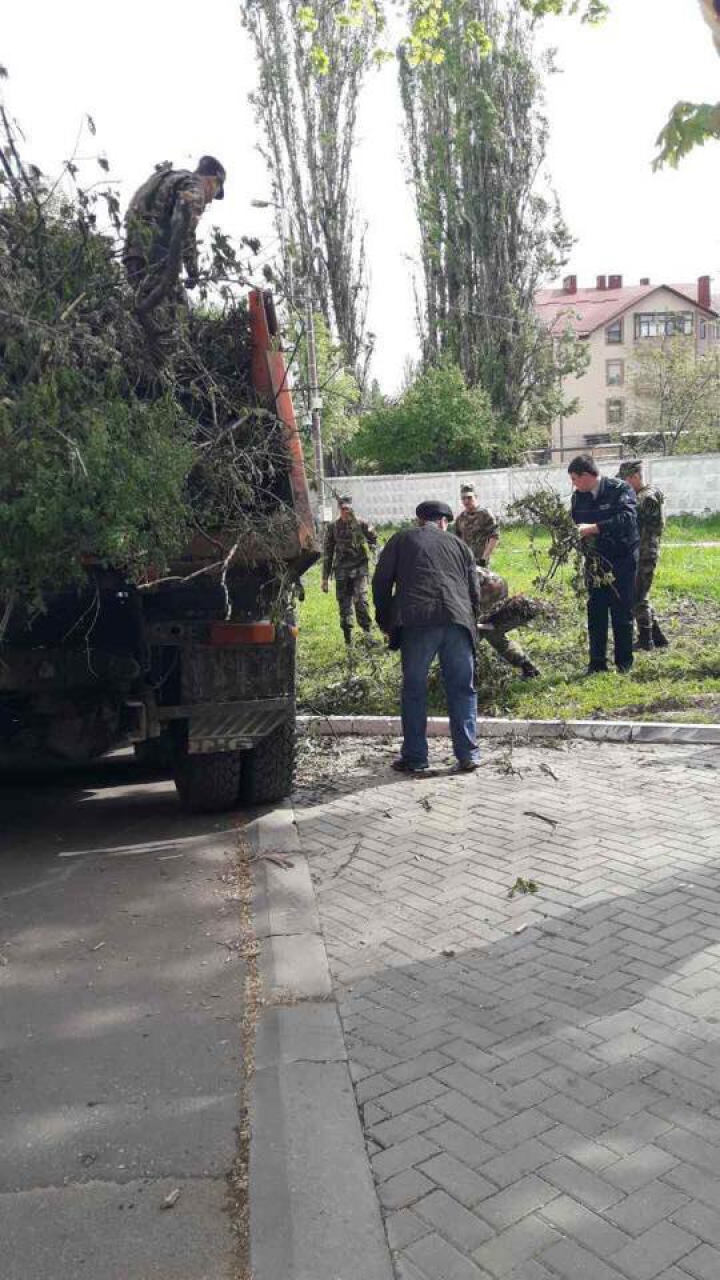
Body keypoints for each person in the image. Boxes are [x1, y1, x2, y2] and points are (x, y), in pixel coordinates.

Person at [372, 500, 481, 774]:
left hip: (417, 621)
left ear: (420, 520)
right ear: (445, 522)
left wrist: (385, 620)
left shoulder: (401, 540)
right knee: (462, 688)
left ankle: (416, 758)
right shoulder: (460, 546)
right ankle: (467, 754)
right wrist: (471, 621)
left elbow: (381, 581)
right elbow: (474, 591)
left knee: (414, 691)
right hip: (457, 622)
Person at [123, 156, 226, 321]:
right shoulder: (194, 188)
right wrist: (193, 271)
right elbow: (186, 229)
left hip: (132, 251)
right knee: (176, 314)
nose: (212, 200)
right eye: (216, 192)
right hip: (155, 260)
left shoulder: (167, 177)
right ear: (212, 182)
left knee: (138, 305)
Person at [569, 454, 639, 675]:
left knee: (621, 611)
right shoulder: (578, 497)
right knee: (596, 610)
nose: (574, 484)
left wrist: (594, 528)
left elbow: (627, 519)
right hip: (595, 560)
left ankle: (624, 664)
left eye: (575, 479)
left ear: (588, 476)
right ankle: (597, 664)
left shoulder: (620, 489)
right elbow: (575, 523)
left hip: (622, 558)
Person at [617, 460, 669, 650]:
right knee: (639, 593)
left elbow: (631, 516)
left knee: (636, 596)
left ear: (636, 477)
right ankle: (658, 637)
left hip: (645, 552)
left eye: (625, 480)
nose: (623, 485)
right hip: (641, 550)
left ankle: (646, 641)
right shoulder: (645, 494)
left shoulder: (646, 497)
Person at [321, 495, 377, 645]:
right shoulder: (332, 528)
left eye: (348, 508)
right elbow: (327, 553)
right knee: (344, 606)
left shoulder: (362, 524)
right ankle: (348, 641)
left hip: (360, 570)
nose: (346, 511)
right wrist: (324, 579)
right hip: (341, 572)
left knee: (361, 602)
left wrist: (372, 551)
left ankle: (368, 636)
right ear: (339, 509)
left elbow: (374, 541)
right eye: (343, 508)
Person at [476, 569, 541, 679]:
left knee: (480, 632)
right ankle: (526, 666)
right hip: (494, 584)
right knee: (490, 633)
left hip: (487, 587)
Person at [454, 484, 499, 567]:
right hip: (466, 562)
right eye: (463, 498)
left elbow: (494, 537)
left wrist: (484, 558)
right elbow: (457, 541)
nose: (466, 501)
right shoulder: (460, 518)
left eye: (469, 498)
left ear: (476, 497)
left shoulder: (485, 514)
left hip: (481, 561)